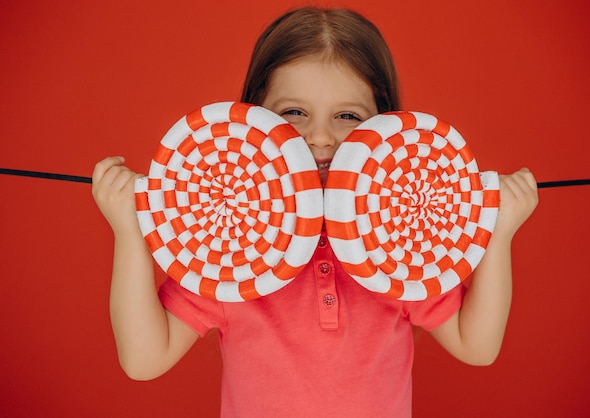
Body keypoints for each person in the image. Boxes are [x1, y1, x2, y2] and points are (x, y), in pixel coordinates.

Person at [91, 6, 538, 418]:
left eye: (347, 116)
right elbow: (144, 360)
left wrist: (498, 233)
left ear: (386, 123)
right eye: (294, 112)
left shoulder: (399, 248)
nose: (320, 137)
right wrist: (129, 231)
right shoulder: (230, 253)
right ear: (252, 119)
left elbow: (477, 346)